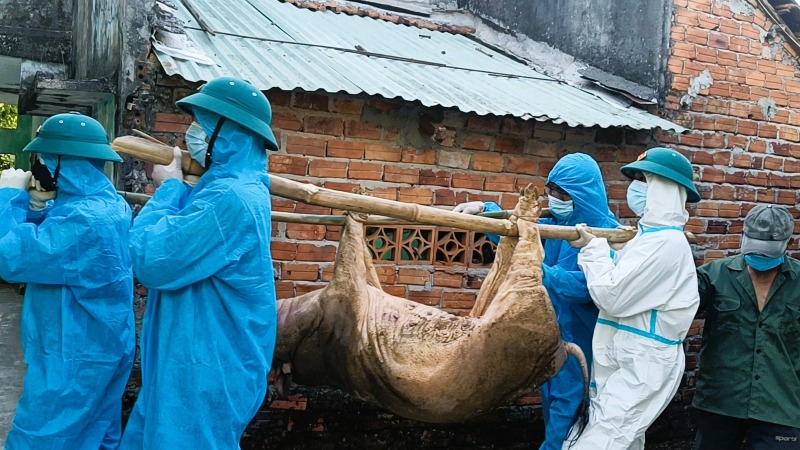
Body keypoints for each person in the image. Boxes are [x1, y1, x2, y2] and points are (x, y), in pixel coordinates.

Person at [120, 77, 280, 448]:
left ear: (229, 133)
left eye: (203, 125)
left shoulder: (232, 196)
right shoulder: (226, 185)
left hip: (205, 366)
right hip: (192, 359)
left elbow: (151, 257)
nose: (194, 134)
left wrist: (168, 189)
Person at [455, 153, 619, 450]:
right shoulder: (555, 222)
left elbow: (584, 287)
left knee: (568, 414)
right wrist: (485, 210)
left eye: (562, 194)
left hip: (583, 342)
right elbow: (518, 236)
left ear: (582, 194)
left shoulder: (607, 233)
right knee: (552, 403)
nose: (553, 199)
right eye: (550, 191)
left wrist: (536, 268)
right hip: (550, 333)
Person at [0, 112, 134, 448]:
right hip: (97, 346)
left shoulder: (84, 219)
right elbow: (53, 235)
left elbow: (9, 257)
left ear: (66, 163)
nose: (41, 167)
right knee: (93, 436)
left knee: (42, 437)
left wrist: (8, 197)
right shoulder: (108, 205)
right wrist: (34, 209)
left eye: (46, 159)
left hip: (73, 357)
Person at [565, 147, 701, 449]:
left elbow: (612, 295)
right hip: (624, 350)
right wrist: (609, 251)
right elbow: (627, 274)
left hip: (644, 361)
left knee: (600, 440)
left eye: (644, 180)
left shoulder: (667, 244)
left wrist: (593, 250)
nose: (635, 188)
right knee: (622, 439)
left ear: (665, 189)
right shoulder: (648, 237)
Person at [693, 204, 800, 449]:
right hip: (721, 400)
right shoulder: (713, 275)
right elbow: (671, 305)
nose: (760, 258)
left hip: (781, 403)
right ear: (744, 236)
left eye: (768, 252)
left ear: (788, 243)